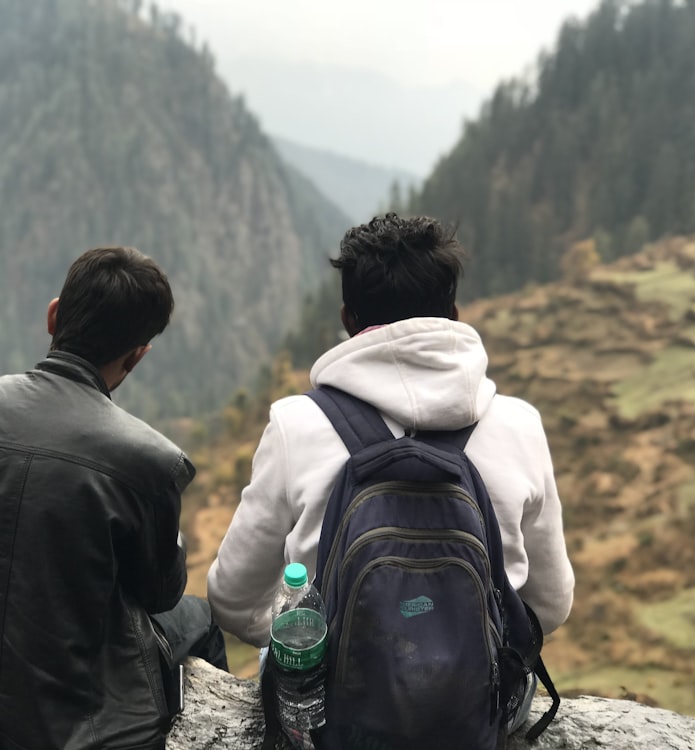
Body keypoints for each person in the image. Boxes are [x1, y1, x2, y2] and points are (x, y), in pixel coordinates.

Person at [207, 213, 574, 731]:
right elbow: (551, 604)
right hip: (475, 711)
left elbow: (233, 598)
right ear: (452, 313)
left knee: (288, 661)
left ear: (348, 318)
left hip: (333, 716)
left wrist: (317, 651)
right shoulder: (519, 424)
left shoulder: (297, 424)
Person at [0, 246, 227, 750]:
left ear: (53, 316)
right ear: (137, 354)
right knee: (200, 619)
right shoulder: (150, 461)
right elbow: (159, 593)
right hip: (63, 737)